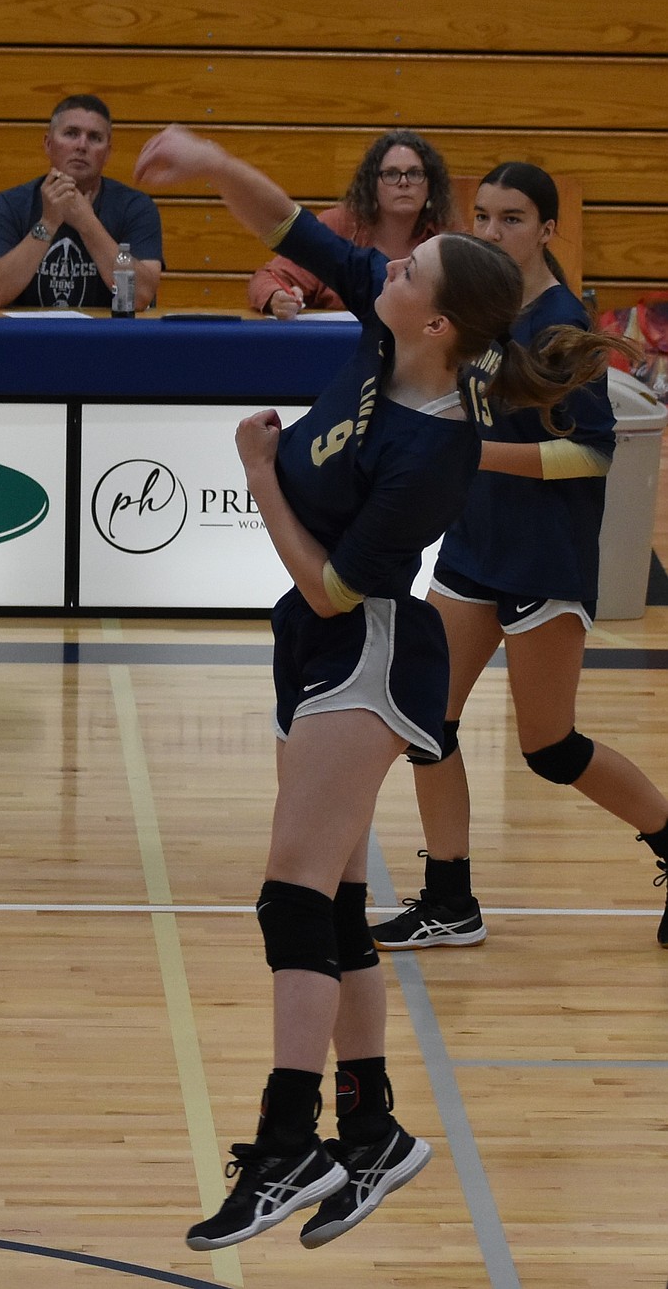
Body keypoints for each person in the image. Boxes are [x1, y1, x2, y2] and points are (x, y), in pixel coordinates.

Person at [132, 125, 619, 1253]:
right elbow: (283, 223)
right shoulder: (383, 318)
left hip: (363, 648)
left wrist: (259, 474)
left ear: (437, 321)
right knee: (336, 905)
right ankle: (376, 1131)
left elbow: (341, 587)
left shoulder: (434, 445)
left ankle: (287, 1139)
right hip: (310, 641)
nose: (388, 262)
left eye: (411, 268)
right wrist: (206, 162)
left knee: (292, 897)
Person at [369, 162, 668, 952]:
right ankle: (449, 900)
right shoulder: (476, 313)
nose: (492, 232)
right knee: (425, 720)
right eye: (483, 216)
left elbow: (593, 455)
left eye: (510, 219)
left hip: (543, 557)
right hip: (473, 548)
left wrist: (471, 453)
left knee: (551, 749)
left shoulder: (563, 324)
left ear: (545, 229)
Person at [0, 95, 163, 311]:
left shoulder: (136, 207)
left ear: (107, 153)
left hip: (108, 340)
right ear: (48, 144)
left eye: (94, 137)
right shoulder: (10, 205)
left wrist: (87, 223)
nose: (82, 145)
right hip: (31, 340)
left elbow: (139, 296)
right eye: (71, 134)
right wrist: (47, 224)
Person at [247, 130, 457, 319]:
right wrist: (278, 297)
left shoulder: (448, 236)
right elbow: (267, 278)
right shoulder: (337, 226)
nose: (404, 182)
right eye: (391, 174)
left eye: (415, 173)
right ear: (372, 186)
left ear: (431, 186)